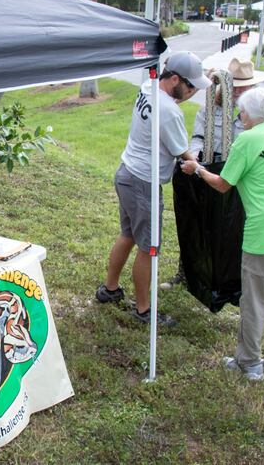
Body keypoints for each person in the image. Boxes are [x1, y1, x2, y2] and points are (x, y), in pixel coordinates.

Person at [181, 87, 264, 381]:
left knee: (255, 299)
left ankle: (249, 362)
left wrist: (197, 169)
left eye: (242, 111)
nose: (239, 115)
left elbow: (222, 184)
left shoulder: (247, 139)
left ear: (253, 114)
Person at [95, 51, 211, 327]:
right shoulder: (169, 111)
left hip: (127, 173)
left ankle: (110, 290)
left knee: (128, 234)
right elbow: (184, 153)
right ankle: (144, 310)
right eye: (191, 86)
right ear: (174, 79)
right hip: (143, 183)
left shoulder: (148, 87)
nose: (193, 92)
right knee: (149, 248)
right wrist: (202, 170)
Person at [160, 58, 264, 290]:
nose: (239, 92)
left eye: (244, 87)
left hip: (236, 177)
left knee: (230, 229)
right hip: (208, 170)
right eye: (235, 86)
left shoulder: (256, 117)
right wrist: (195, 157)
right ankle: (188, 274)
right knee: (196, 224)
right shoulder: (209, 111)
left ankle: (227, 281)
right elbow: (198, 138)